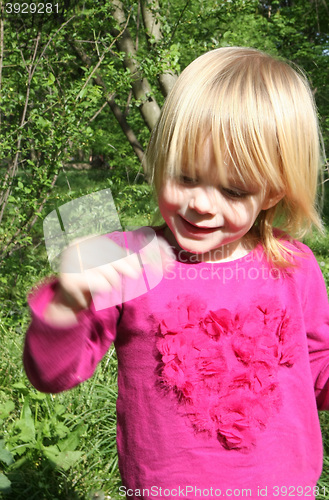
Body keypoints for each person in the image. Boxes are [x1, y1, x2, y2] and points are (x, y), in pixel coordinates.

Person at [24, 47, 329, 499]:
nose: (201, 204)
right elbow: (51, 375)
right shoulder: (128, 261)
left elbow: (317, 365)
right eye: (185, 177)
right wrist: (70, 302)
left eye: (233, 189)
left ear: (271, 193)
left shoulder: (295, 266)